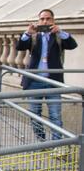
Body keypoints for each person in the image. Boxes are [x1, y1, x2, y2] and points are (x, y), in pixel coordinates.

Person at [16, 9, 77, 142]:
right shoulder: (33, 36)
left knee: (55, 115)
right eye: (42, 19)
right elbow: (19, 46)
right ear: (38, 21)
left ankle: (56, 144)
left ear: (53, 20)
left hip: (53, 81)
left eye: (48, 19)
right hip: (34, 82)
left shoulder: (58, 36)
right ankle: (41, 141)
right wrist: (27, 33)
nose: (45, 21)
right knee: (34, 114)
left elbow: (73, 45)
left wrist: (60, 32)